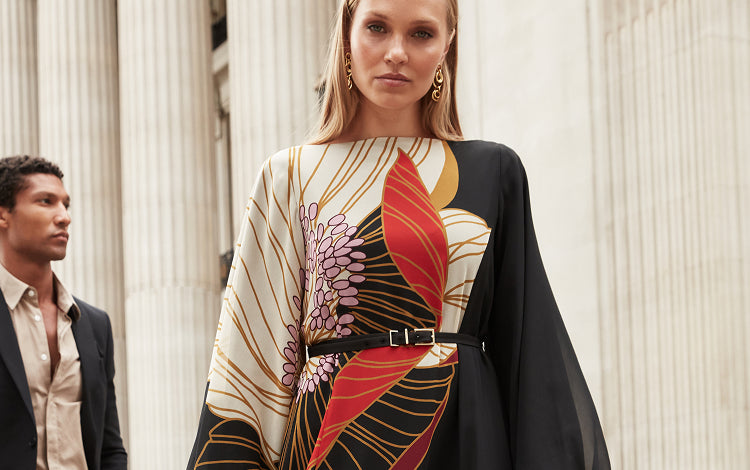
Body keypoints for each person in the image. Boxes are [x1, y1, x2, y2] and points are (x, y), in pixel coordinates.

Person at [188, 0, 610, 468]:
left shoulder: (494, 172)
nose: (396, 52)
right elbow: (254, 360)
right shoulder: (289, 176)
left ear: (447, 44)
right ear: (347, 35)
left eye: (421, 34)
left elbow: (529, 354)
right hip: (334, 441)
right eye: (377, 27)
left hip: (464, 436)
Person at [0, 156, 127, 470]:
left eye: (66, 205)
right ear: (3, 214)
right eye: (46, 201)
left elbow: (110, 447)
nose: (64, 217)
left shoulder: (95, 325)